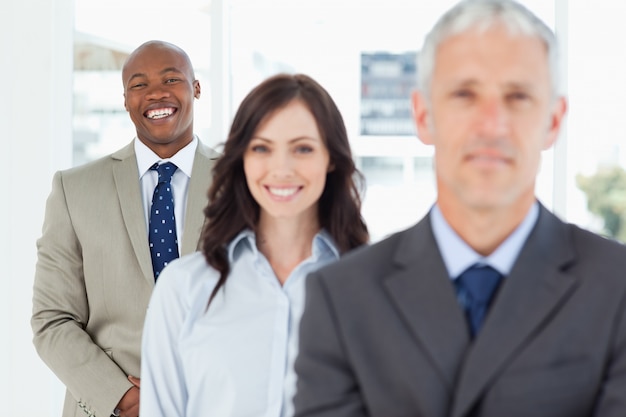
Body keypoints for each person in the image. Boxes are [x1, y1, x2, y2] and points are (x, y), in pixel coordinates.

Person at [293, 1, 626, 416]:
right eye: (465, 94)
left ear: (554, 121)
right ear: (423, 115)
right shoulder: (342, 298)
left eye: (518, 96)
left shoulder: (617, 287)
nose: (491, 123)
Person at [139, 73, 369, 417]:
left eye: (303, 148)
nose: (282, 169)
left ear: (331, 157)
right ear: (242, 158)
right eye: (262, 148)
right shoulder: (183, 287)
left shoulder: (372, 289)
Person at [31, 40, 220, 417]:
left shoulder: (242, 183)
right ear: (124, 99)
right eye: (138, 84)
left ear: (196, 88)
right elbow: (52, 318)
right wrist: (122, 397)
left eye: (171, 78)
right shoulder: (75, 189)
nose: (155, 93)